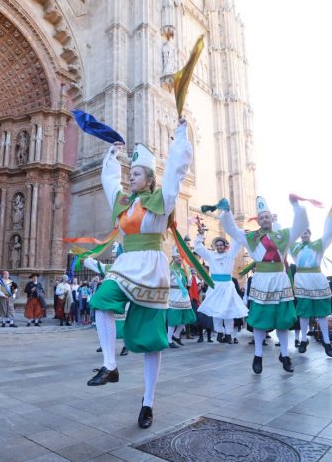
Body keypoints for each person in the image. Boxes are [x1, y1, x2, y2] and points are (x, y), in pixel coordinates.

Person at [85, 118, 192, 429]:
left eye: (135, 173)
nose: (129, 178)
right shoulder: (123, 203)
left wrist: (180, 138)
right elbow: (108, 180)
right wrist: (112, 155)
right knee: (102, 300)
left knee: (150, 340)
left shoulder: (161, 200)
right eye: (129, 173)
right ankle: (109, 364)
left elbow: (175, 173)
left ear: (148, 179)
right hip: (126, 263)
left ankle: (148, 402)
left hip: (151, 267)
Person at [220, 195, 308, 374]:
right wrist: (227, 211)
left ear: (272, 218)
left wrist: (296, 205)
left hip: (280, 281)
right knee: (260, 320)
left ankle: (285, 355)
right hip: (261, 281)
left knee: (282, 321)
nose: (264, 219)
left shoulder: (284, 235)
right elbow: (231, 229)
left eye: (267, 216)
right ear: (257, 221)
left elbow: (300, 225)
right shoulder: (250, 237)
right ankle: (258, 355)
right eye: (261, 218)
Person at [290, 205, 332, 357]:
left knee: (321, 313)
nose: (303, 234)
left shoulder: (318, 245)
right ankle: (303, 339)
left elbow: (329, 234)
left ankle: (327, 341)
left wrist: (330, 219)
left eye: (306, 232)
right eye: (301, 232)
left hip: (316, 280)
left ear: (310, 234)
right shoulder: (295, 247)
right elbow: (282, 239)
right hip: (302, 280)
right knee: (303, 312)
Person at [194, 233, 248, 345]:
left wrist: (238, 232)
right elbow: (199, 248)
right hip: (215, 286)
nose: (219, 246)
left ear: (224, 246)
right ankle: (219, 332)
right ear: (215, 246)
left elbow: (236, 244)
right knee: (215, 309)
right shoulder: (210, 255)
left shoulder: (230, 255)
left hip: (227, 285)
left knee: (228, 310)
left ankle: (228, 334)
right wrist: (200, 236)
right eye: (217, 245)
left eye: (221, 245)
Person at [166, 247, 197, 348]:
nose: (179, 259)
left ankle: (176, 335)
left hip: (184, 296)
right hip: (174, 295)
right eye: (177, 257)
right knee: (173, 319)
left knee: (187, 318)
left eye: (180, 257)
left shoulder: (185, 268)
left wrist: (191, 276)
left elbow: (188, 284)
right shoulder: (170, 269)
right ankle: (169, 339)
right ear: (173, 258)